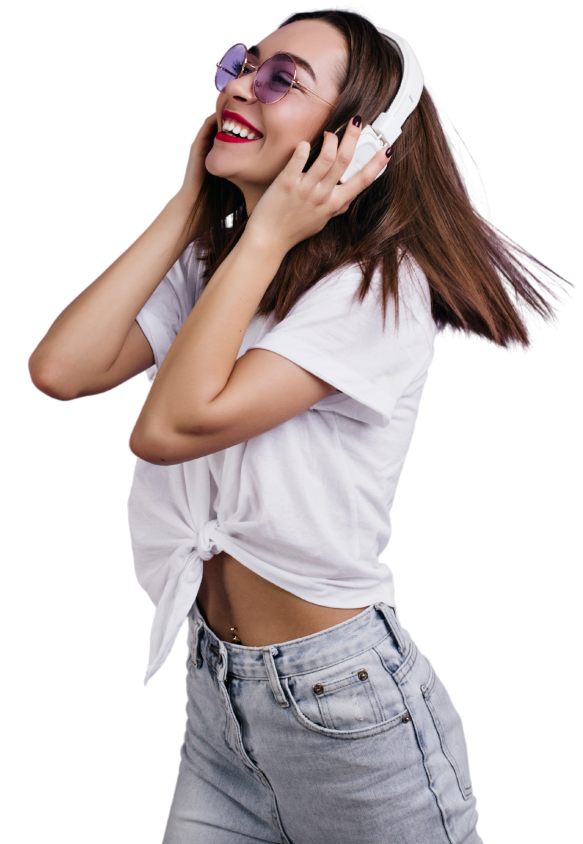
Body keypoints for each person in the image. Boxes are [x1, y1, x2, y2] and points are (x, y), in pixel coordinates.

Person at [27, 5, 575, 842]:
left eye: (282, 79)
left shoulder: (376, 291)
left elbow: (168, 427)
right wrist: (188, 202)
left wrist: (268, 232)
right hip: (221, 704)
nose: (241, 86)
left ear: (356, 143)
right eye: (245, 63)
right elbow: (60, 371)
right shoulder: (217, 269)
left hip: (347, 712)